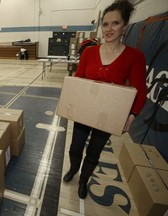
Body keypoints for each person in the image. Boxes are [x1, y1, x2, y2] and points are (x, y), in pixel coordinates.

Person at [62, 0, 147, 199]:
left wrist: (132, 115)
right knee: (76, 147)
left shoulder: (134, 57)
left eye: (115, 23)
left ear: (125, 26)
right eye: (106, 24)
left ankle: (83, 180)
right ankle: (74, 169)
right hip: (84, 112)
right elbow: (78, 81)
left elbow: (141, 91)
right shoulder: (90, 52)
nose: (109, 29)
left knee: (94, 152)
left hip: (108, 115)